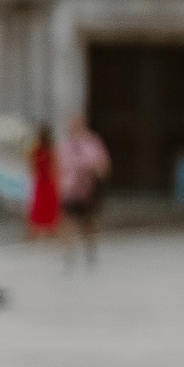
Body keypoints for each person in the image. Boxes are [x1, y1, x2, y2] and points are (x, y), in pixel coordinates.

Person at [56, 113, 111, 267]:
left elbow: (104, 165)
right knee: (68, 221)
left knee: (89, 221)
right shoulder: (64, 144)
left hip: (88, 190)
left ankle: (90, 249)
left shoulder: (92, 142)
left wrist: (93, 171)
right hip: (69, 190)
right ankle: (69, 251)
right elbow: (58, 167)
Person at [24, 123, 60, 241]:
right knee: (38, 208)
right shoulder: (36, 149)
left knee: (48, 208)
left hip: (47, 182)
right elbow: (31, 164)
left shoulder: (50, 149)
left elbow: (54, 166)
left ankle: (49, 232)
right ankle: (36, 233)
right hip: (40, 182)